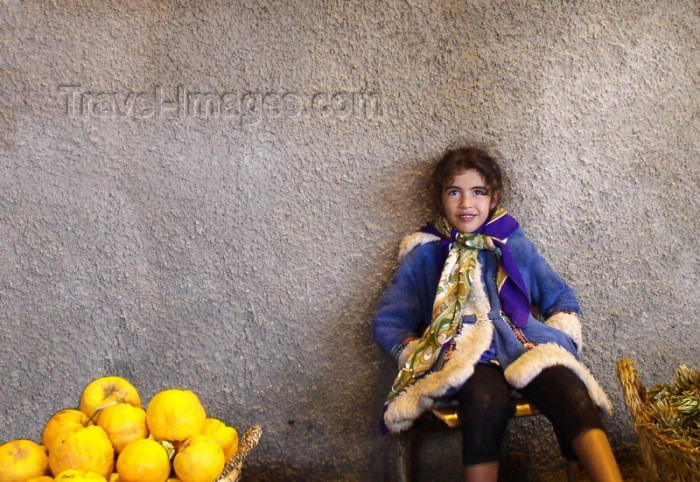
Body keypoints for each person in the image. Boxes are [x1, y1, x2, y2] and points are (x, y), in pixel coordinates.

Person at [373, 146, 622, 481]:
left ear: (494, 196)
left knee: (571, 389)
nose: (466, 204)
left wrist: (561, 333)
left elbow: (559, 296)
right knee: (485, 402)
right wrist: (420, 353)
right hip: (466, 358)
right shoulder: (426, 253)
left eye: (478, 192)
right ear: (440, 198)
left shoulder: (510, 241)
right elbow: (389, 321)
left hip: (523, 347)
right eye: (454, 192)